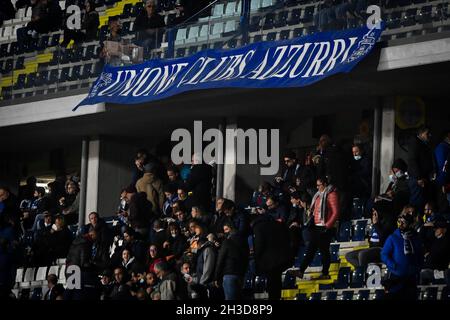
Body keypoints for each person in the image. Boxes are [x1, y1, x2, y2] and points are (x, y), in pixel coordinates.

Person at [298, 177, 339, 280]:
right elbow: (315, 209)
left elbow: (336, 212)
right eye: (316, 185)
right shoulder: (318, 195)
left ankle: (324, 273)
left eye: (319, 185)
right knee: (311, 249)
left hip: (325, 227)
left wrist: (327, 225)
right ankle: (301, 271)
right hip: (317, 226)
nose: (317, 187)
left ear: (325, 184)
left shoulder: (331, 194)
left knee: (323, 250)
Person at [381, 212, 423, 300]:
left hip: (411, 277)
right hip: (396, 277)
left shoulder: (415, 238)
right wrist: (393, 265)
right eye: (399, 221)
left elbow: (419, 254)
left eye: (403, 222)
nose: (401, 224)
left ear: (409, 224)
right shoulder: (392, 237)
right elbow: (384, 254)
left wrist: (418, 267)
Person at [251, 212, 293, 300]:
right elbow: (289, 239)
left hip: (268, 261)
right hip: (282, 259)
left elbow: (259, 245)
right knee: (277, 282)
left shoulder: (258, 227)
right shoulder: (279, 224)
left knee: (272, 283)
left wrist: (257, 259)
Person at [214, 222, 249, 300]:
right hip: (241, 275)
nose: (225, 232)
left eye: (226, 229)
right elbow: (247, 258)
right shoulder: (244, 241)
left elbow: (220, 260)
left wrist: (216, 277)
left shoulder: (227, 242)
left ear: (231, 228)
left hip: (229, 275)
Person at [407, 126, 436, 210]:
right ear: (421, 134)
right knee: (417, 203)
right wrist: (419, 177)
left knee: (422, 202)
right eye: (427, 133)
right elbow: (412, 160)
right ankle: (415, 222)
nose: (430, 135)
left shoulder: (422, 144)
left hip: (423, 178)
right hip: (417, 179)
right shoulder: (415, 143)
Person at [420, 216, 450, 284]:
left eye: (437, 228)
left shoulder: (446, 241)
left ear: (444, 230)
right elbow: (421, 239)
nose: (435, 230)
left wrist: (427, 256)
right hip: (429, 267)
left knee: (421, 274)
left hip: (438, 269)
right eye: (434, 228)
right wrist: (424, 226)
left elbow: (436, 257)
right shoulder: (434, 240)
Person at [435, 130, 450, 208]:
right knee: (444, 204)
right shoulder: (443, 147)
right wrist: (444, 182)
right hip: (444, 181)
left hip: (443, 180)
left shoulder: (442, 147)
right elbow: (443, 166)